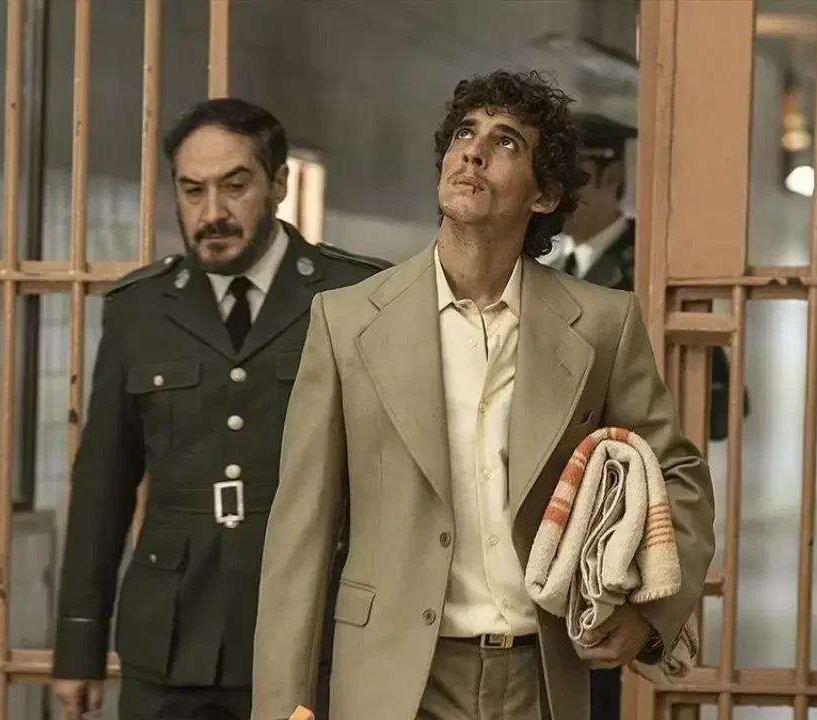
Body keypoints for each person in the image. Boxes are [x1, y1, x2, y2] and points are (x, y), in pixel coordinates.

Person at [251, 70, 715, 720]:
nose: (472, 152)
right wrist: (282, 706)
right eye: (464, 134)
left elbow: (679, 474)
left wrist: (650, 616)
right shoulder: (347, 321)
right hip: (394, 680)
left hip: (543, 676)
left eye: (506, 143)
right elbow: (301, 528)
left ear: (544, 194)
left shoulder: (601, 324)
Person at [50, 97, 389, 720]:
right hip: (171, 641)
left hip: (310, 635)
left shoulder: (355, 295)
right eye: (192, 190)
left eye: (234, 187)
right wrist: (79, 646)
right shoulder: (140, 310)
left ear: (278, 184)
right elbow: (102, 486)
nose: (212, 214)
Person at [550, 112, 747, 450]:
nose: (555, 193)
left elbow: (721, 403)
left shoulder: (652, 272)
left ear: (613, 175)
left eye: (571, 177)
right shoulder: (549, 273)